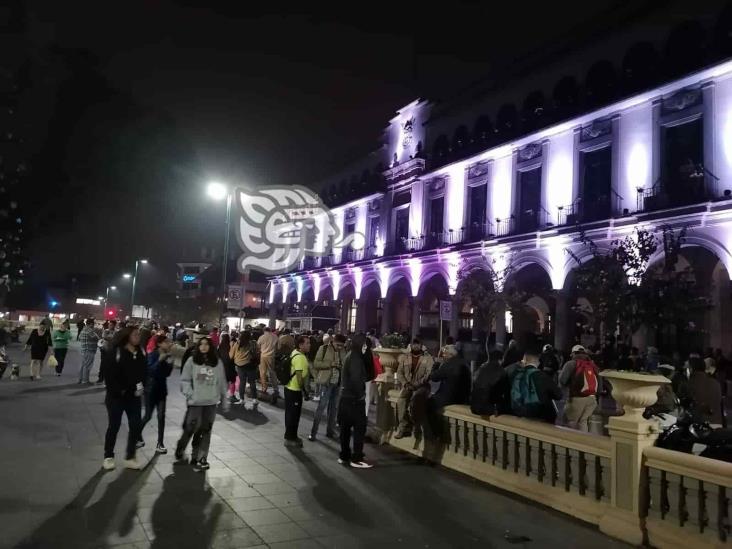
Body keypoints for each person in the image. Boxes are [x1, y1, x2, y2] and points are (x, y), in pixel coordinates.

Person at [176, 337, 229, 471]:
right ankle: (181, 447)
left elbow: (222, 381)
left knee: (206, 430)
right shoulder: (192, 361)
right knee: (190, 427)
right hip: (195, 402)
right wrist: (190, 394)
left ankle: (201, 457)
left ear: (211, 347)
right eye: (201, 344)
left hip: (211, 402)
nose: (204, 346)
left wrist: (224, 399)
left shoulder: (217, 362)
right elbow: (185, 380)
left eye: (207, 344)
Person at [102, 326, 146, 471]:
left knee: (135, 426)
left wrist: (142, 387)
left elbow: (145, 372)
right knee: (114, 426)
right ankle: (108, 456)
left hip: (134, 397)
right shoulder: (117, 352)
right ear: (127, 336)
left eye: (139, 334)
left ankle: (130, 456)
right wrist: (119, 391)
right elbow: (108, 375)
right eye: (135, 334)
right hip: (117, 398)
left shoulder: (141, 352)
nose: (138, 336)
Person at [337, 334, 373, 468]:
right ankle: (356, 458)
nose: (366, 348)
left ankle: (344, 455)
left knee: (345, 429)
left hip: (346, 398)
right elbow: (356, 379)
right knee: (359, 428)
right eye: (365, 345)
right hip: (354, 399)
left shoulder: (350, 355)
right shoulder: (356, 358)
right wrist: (361, 395)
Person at [506, 346, 562, 424]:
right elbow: (558, 395)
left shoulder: (515, 374)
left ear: (524, 361)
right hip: (540, 417)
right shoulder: (542, 376)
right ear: (538, 362)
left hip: (518, 415)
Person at [427, 344, 471, 438]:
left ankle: (436, 433)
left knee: (428, 404)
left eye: (445, 354)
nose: (443, 356)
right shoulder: (465, 363)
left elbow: (434, 377)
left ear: (450, 355)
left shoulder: (448, 365)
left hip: (449, 397)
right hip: (463, 398)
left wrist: (436, 365)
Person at [139, 335, 175, 454]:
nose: (169, 344)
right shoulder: (153, 355)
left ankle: (160, 443)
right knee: (148, 416)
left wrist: (170, 364)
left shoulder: (167, 355)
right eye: (166, 342)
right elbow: (149, 371)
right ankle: (136, 434)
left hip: (161, 390)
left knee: (161, 416)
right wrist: (159, 360)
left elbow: (167, 374)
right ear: (159, 344)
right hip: (151, 390)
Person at [309, 333, 346, 441]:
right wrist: (331, 364)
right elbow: (316, 364)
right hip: (326, 383)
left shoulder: (343, 350)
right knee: (321, 407)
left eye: (341, 345)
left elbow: (345, 364)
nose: (339, 347)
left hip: (338, 383)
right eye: (338, 345)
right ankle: (313, 432)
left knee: (333, 409)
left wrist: (342, 366)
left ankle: (330, 431)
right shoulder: (324, 348)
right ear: (333, 341)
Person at [394, 339, 434, 438]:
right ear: (411, 345)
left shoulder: (428, 358)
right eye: (414, 344)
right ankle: (404, 427)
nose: (416, 346)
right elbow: (399, 373)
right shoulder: (405, 357)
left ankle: (419, 428)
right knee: (400, 402)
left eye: (418, 344)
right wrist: (405, 383)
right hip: (408, 385)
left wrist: (416, 384)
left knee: (415, 400)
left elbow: (428, 374)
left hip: (422, 386)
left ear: (421, 345)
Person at [558, 345, 600, 432]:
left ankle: (569, 443)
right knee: (583, 422)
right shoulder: (592, 365)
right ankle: (583, 442)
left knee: (570, 422)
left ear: (573, 353)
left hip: (576, 398)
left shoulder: (570, 364)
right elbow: (600, 382)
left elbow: (562, 380)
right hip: (592, 399)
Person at [284, 335, 310, 447]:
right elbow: (299, 376)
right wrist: (303, 390)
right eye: (307, 343)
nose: (309, 345)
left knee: (290, 414)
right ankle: (290, 438)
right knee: (293, 415)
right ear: (300, 345)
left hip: (289, 388)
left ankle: (292, 436)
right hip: (294, 390)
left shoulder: (295, 352)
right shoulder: (300, 358)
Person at [471, 350, 511, 416]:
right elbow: (506, 392)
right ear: (500, 360)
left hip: (474, 407)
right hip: (489, 409)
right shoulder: (501, 371)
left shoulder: (481, 369)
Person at [687, 356, 724, 426]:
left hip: (699, 427)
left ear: (691, 369)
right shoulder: (715, 383)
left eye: (686, 368)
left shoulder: (691, 383)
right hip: (717, 423)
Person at [231, 331, 259, 410]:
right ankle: (254, 399)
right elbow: (257, 352)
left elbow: (231, 355)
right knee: (252, 382)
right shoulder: (253, 343)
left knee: (242, 382)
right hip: (251, 365)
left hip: (240, 365)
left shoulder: (238, 343)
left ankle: (242, 399)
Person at [257, 327, 279, 402]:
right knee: (272, 372)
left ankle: (264, 387)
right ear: (270, 330)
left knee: (262, 372)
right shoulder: (275, 337)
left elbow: (258, 346)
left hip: (263, 356)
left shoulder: (261, 337)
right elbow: (278, 347)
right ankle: (276, 389)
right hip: (271, 356)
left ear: (264, 331)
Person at [218, 332, 239, 404]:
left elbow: (217, 357)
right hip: (231, 366)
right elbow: (233, 356)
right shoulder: (231, 346)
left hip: (222, 367)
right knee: (232, 381)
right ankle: (232, 396)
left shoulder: (220, 346)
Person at [78, 319, 100, 384]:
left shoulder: (83, 330)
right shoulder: (89, 330)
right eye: (93, 324)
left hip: (84, 350)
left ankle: (81, 379)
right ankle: (85, 380)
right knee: (87, 366)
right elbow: (97, 338)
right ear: (90, 324)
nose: (93, 325)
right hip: (89, 350)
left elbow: (79, 337)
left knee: (83, 365)